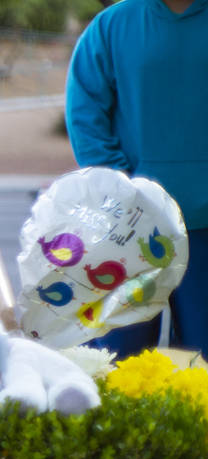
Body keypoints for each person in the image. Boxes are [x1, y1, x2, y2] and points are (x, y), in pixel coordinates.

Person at [66, 0, 208, 358]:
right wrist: (120, 187)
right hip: (128, 227)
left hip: (207, 230)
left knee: (202, 364)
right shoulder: (112, 26)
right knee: (117, 363)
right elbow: (86, 113)